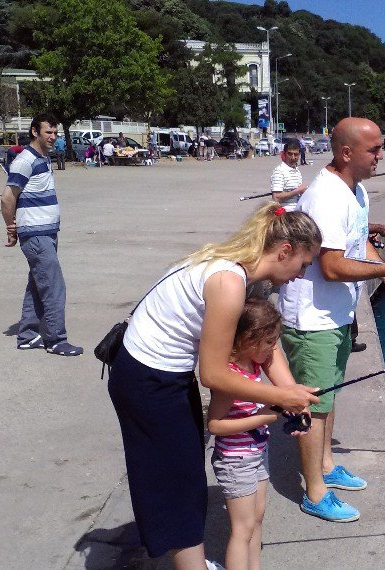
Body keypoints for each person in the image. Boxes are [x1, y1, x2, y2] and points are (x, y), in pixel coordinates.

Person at [109, 203, 321, 568]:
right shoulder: (228, 281)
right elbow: (214, 375)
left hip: (166, 375)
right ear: (284, 251)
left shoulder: (246, 273)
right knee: (178, 485)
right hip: (147, 379)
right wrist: (278, 396)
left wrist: (293, 397)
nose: (302, 275)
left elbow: (266, 345)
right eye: (303, 264)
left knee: (186, 475)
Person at [277, 117, 385, 522]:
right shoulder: (327, 197)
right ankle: (314, 493)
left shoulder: (356, 191)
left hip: (336, 314)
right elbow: (334, 267)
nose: (380, 155)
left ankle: (325, 464)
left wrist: (384, 267)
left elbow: (358, 246)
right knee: (313, 405)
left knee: (329, 395)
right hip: (311, 317)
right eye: (374, 149)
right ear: (346, 153)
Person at [208, 298, 296, 570]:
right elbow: (215, 425)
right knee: (242, 528)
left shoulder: (254, 367)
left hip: (257, 453)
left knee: (257, 518)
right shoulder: (229, 379)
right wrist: (263, 416)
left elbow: (253, 410)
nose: (273, 349)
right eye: (270, 341)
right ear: (248, 340)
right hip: (236, 461)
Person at [1, 115, 84, 356]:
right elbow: (8, 197)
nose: (53, 137)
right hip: (35, 234)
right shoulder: (25, 160)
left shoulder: (43, 158)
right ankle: (56, 339)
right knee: (54, 287)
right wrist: (11, 227)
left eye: (56, 133)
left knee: (37, 285)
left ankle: (28, 335)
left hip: (46, 232)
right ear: (35, 132)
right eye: (49, 132)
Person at [270, 139, 307, 212]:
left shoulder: (297, 171)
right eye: (290, 154)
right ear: (284, 154)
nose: (293, 157)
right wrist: (298, 191)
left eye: (296, 154)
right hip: (285, 216)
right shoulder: (279, 171)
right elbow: (276, 197)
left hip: (296, 213)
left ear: (299, 154)